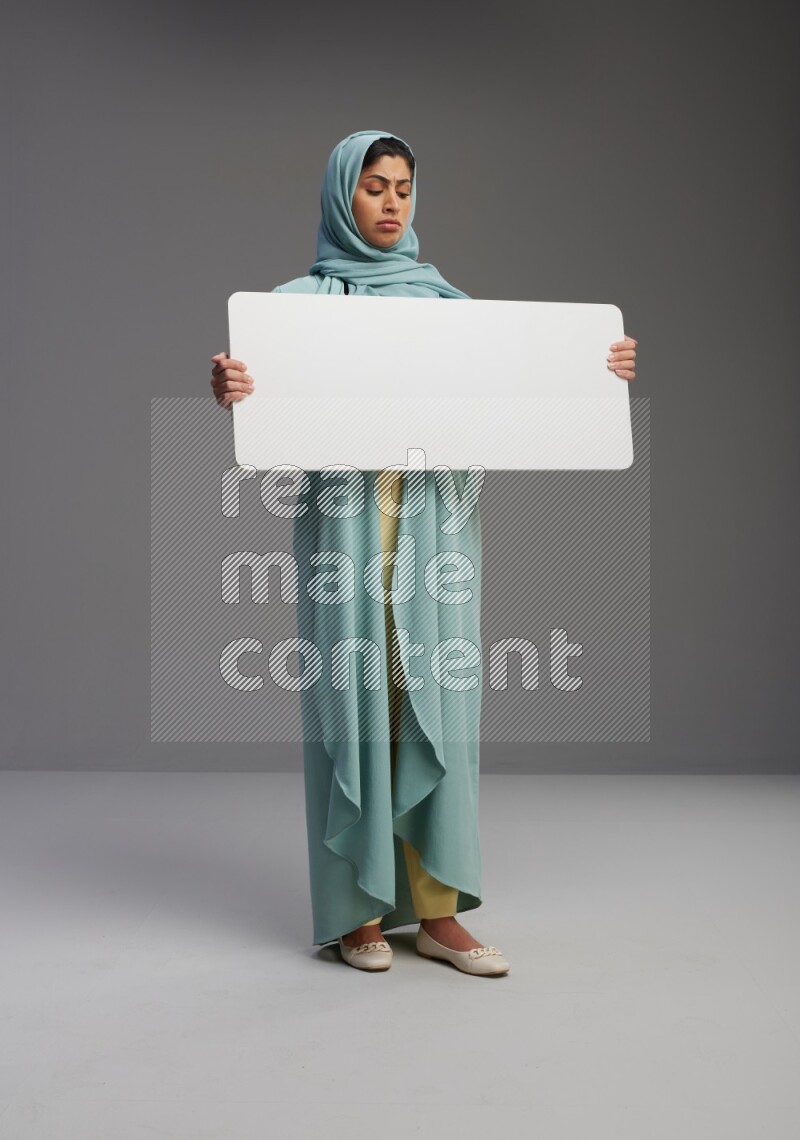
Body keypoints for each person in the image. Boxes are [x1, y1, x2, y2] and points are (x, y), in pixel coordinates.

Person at [209, 130, 638, 976]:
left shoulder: (451, 309)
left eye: (404, 186)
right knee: (359, 705)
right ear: (342, 196)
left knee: (436, 705)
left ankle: (440, 910)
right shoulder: (295, 307)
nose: (392, 202)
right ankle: (358, 910)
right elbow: (262, 396)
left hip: (438, 530)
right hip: (346, 528)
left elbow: (523, 396)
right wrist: (230, 385)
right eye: (374, 186)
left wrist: (601, 371)